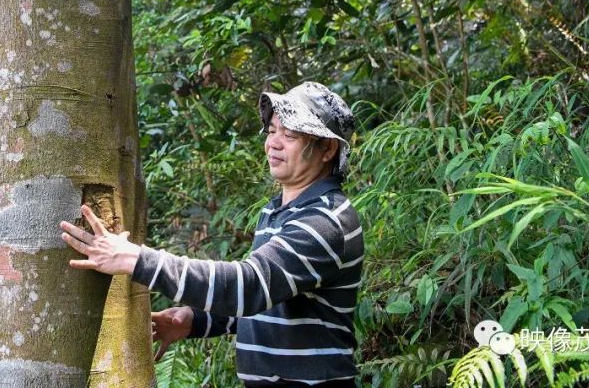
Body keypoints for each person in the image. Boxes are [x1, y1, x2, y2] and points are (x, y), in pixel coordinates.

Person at [61, 81, 363, 387]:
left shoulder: (325, 220)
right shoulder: (277, 211)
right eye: (272, 131)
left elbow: (250, 285)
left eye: (291, 135)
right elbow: (270, 301)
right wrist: (194, 321)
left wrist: (135, 259)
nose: (274, 143)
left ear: (328, 149)